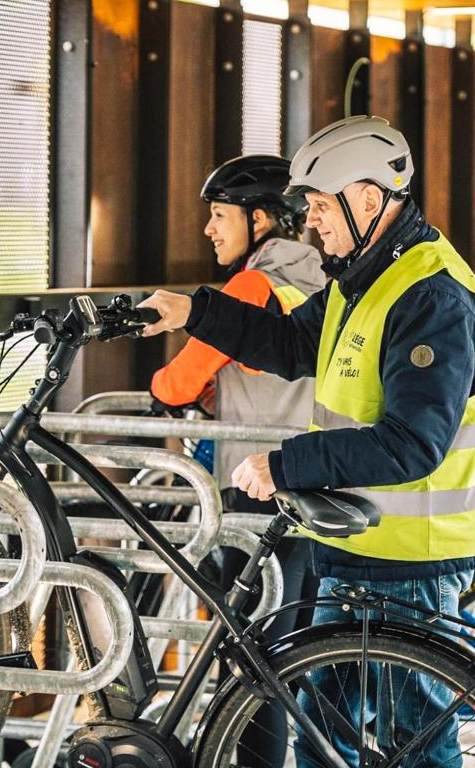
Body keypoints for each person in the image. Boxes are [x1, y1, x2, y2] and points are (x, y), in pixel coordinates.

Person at [139, 115, 475, 767]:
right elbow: (286, 342)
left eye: (318, 206)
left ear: (369, 199)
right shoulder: (360, 278)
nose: (310, 222)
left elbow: (412, 445)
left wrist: (287, 465)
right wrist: (192, 310)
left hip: (413, 556)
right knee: (321, 730)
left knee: (414, 739)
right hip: (357, 544)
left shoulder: (431, 296)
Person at [147, 154, 325, 768]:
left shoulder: (252, 286)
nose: (209, 229)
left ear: (261, 220)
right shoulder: (323, 278)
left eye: (219, 216)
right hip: (312, 483)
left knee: (251, 659)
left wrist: (166, 388)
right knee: (292, 649)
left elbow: (178, 381)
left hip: (252, 487)